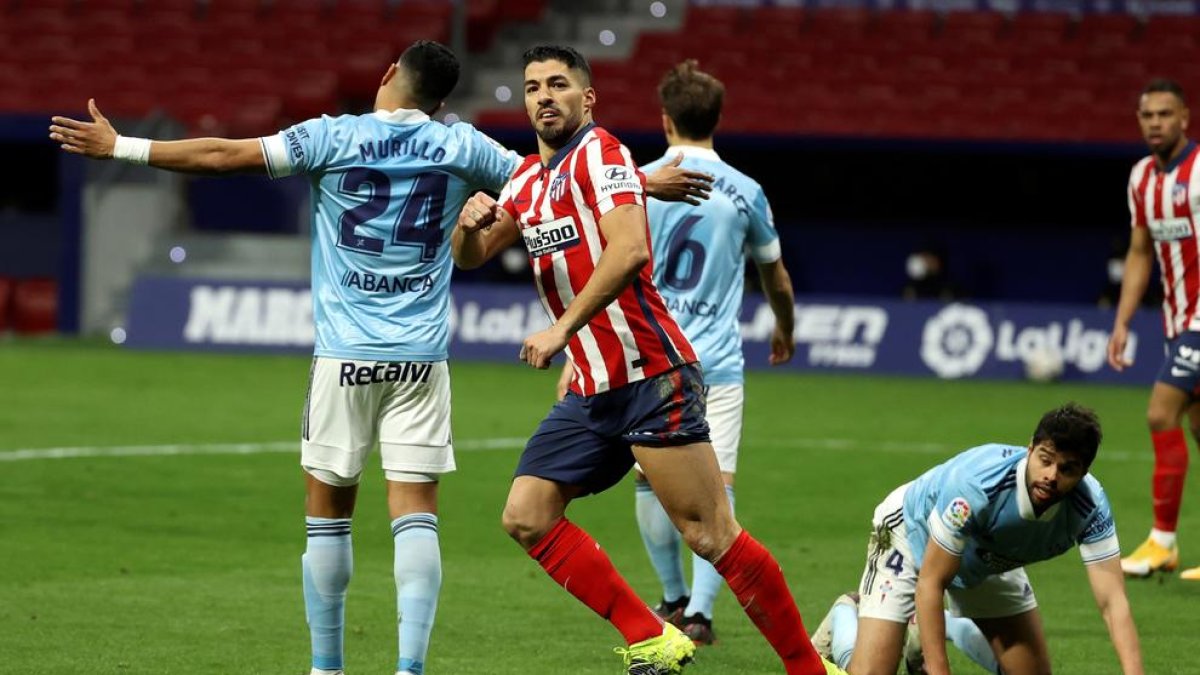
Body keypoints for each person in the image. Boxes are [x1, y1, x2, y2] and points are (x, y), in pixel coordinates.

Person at [48, 40, 713, 675]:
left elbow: (225, 155)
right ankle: (409, 666)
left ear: (390, 72)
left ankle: (326, 664)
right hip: (420, 361)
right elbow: (556, 179)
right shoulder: (461, 146)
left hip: (345, 355)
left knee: (327, 517)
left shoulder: (332, 136)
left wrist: (121, 146)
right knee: (415, 512)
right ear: (441, 105)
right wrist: (643, 181)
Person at [450, 44, 841, 675]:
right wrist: (469, 226)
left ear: (587, 98)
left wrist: (560, 331)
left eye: (557, 84)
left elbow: (630, 250)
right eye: (531, 87)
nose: (543, 96)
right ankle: (652, 634)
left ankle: (809, 669)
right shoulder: (524, 179)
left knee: (712, 535)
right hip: (595, 386)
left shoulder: (603, 154)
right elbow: (471, 256)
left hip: (652, 374)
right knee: (527, 515)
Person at [601, 59, 796, 647]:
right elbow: (776, 277)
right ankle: (702, 616)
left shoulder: (634, 180)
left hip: (650, 358)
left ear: (664, 120)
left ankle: (671, 596)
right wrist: (784, 326)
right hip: (717, 364)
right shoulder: (746, 191)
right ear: (717, 118)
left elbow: (610, 267)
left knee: (647, 482)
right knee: (720, 490)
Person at [809, 403, 1142, 675]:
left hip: (989, 558)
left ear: (1083, 473)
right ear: (1030, 449)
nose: (1051, 476)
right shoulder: (977, 487)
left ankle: (937, 628)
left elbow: (1113, 602)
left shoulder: (1090, 507)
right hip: (913, 536)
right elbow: (930, 581)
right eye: (1045, 459)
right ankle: (846, 613)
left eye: (1067, 469)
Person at [1106, 78, 1200, 581]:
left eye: (1165, 114)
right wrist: (1122, 321)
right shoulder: (1142, 177)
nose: (1155, 123)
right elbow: (1141, 251)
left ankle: (1162, 541)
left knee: (1161, 412)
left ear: (1185, 117)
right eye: (1147, 116)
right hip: (1176, 320)